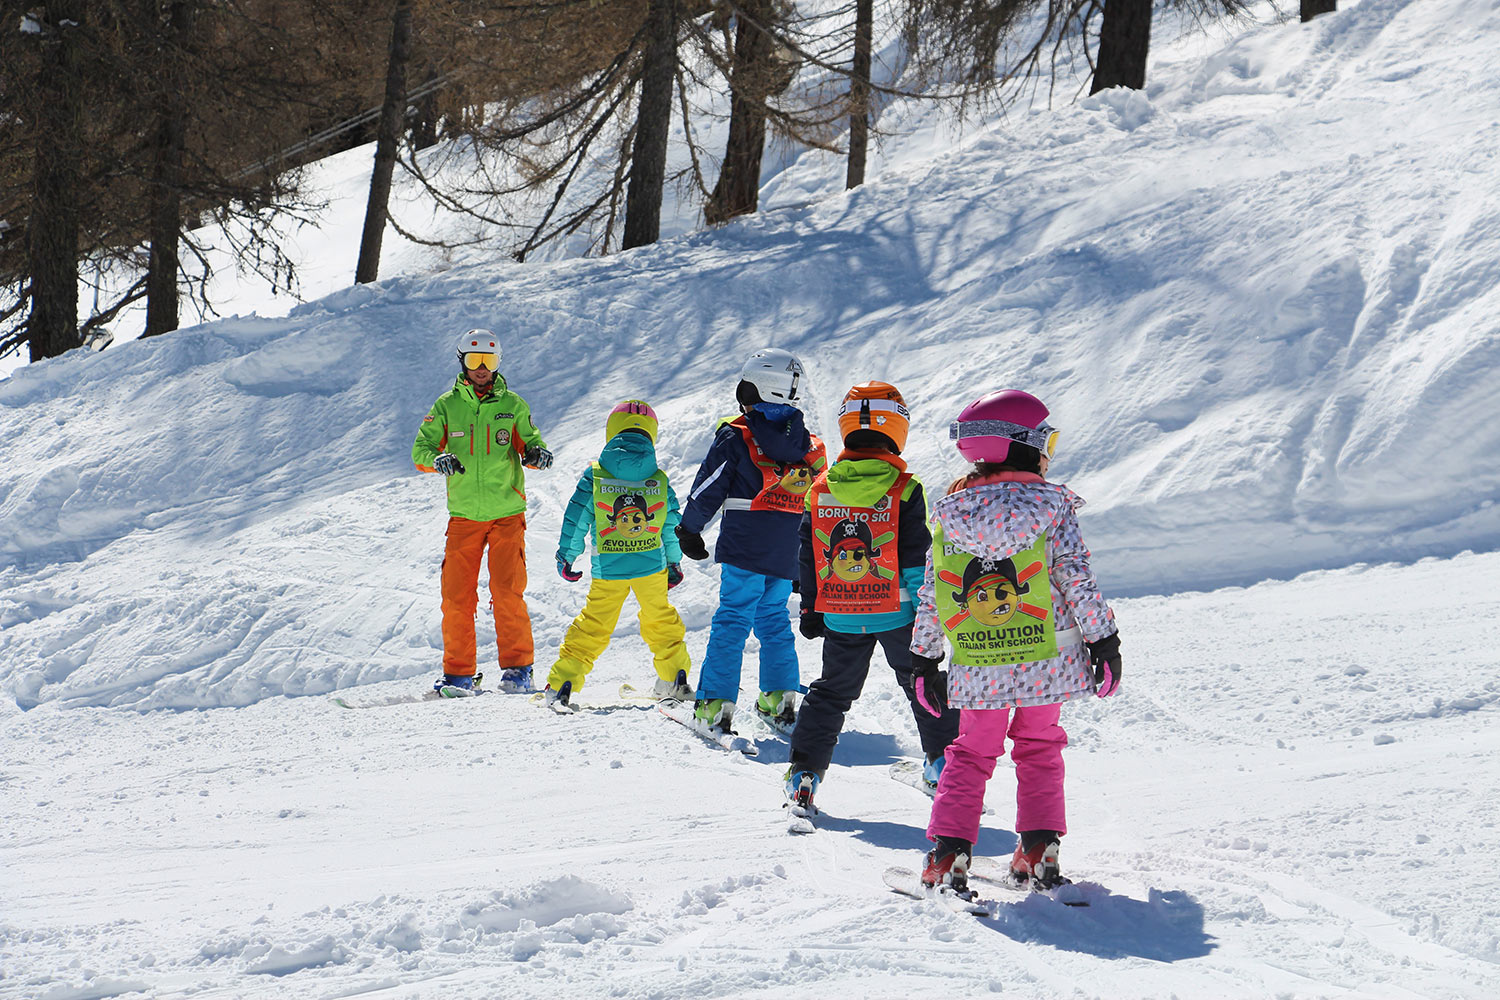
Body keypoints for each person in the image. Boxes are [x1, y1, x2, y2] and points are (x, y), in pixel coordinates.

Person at [910, 389, 1121, 895]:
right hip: (1048, 657)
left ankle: (949, 855)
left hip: (980, 660)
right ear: (1021, 444)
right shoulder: (1053, 506)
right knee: (1041, 744)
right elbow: (1075, 576)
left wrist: (924, 658)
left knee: (971, 752)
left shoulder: (950, 514)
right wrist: (1103, 639)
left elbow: (935, 590)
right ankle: (1039, 848)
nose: (1050, 453)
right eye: (1046, 441)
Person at [784, 382, 959, 810]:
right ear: (898, 428)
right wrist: (928, 617)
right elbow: (916, 559)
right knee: (924, 684)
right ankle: (943, 767)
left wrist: (810, 606)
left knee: (831, 693)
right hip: (898, 612)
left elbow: (808, 552)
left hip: (841, 612)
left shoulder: (819, 488)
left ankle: (804, 774)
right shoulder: (905, 488)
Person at [676, 348, 827, 735]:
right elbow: (818, 503)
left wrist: (689, 529)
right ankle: (779, 699)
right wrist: (808, 561)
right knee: (774, 619)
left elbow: (709, 487)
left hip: (746, 543)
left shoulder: (738, 435)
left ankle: (714, 705)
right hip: (787, 548)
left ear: (755, 389)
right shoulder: (808, 445)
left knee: (732, 619)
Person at [411, 330, 553, 697]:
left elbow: (531, 443)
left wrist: (536, 454)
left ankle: (519, 670)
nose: (481, 368)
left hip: (507, 514)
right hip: (464, 516)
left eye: (488, 361)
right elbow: (421, 449)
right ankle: (458, 674)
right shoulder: (447, 406)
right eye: (474, 360)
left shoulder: (513, 405)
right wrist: (436, 459)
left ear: (498, 363)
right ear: (462, 362)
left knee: (507, 592)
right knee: (456, 597)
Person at [541, 400, 692, 709]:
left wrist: (566, 556)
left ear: (612, 431)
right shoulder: (659, 479)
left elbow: (576, 518)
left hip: (609, 569)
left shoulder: (596, 476)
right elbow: (671, 524)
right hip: (651, 568)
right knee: (660, 619)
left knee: (594, 623)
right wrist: (674, 561)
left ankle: (562, 683)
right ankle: (675, 678)